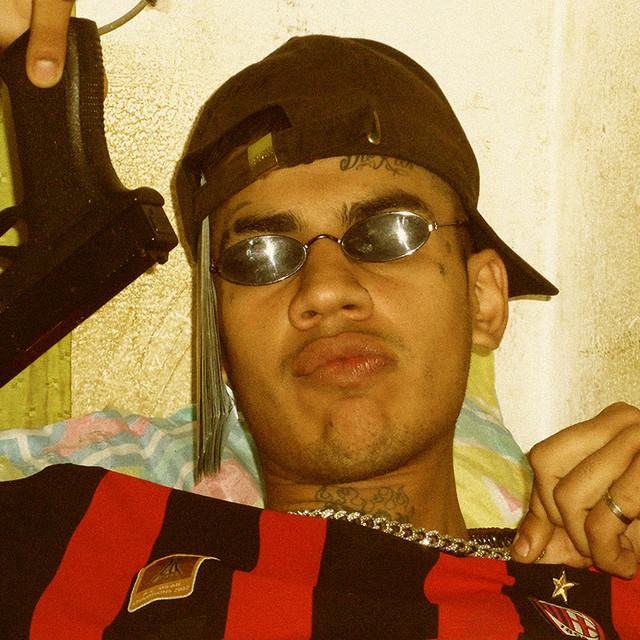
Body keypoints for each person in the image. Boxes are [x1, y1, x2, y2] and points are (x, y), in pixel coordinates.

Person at [2, 2, 640, 636]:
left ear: (483, 300)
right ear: (219, 339)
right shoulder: (66, 544)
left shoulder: (608, 577)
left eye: (389, 233)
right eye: (259, 256)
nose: (327, 289)